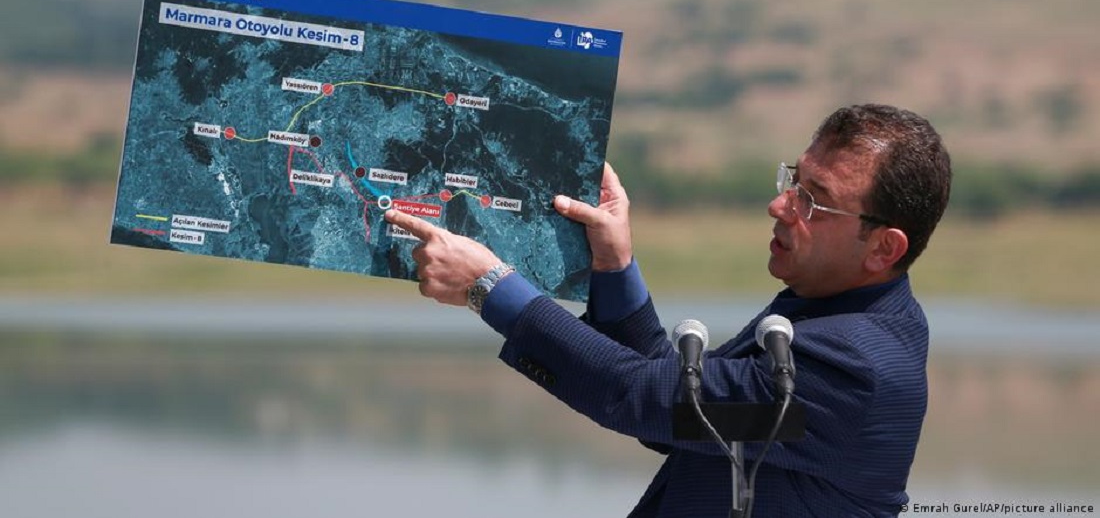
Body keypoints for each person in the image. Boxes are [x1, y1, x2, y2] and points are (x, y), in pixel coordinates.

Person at [383, 103, 952, 517]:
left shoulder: (855, 368)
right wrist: (613, 265)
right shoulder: (824, 312)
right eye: (792, 181)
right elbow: (684, 416)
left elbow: (636, 395)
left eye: (813, 200)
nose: (779, 205)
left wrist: (490, 286)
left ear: (884, 248)